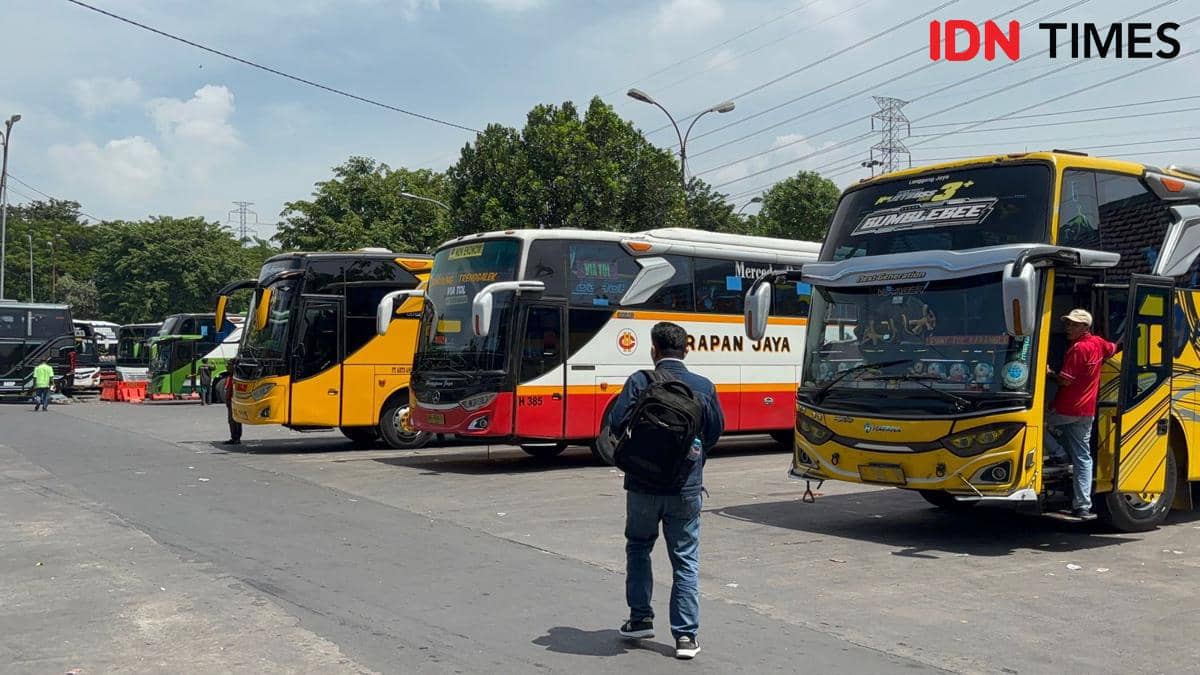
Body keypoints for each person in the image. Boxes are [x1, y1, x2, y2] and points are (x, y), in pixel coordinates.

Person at [603, 322, 724, 660]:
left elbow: (615, 423)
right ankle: (686, 637)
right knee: (685, 558)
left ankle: (640, 618)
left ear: (654, 350)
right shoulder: (704, 386)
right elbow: (715, 432)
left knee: (639, 547)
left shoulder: (640, 381)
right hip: (685, 486)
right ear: (687, 350)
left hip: (641, 483)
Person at [1045, 309, 1117, 520]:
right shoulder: (1099, 343)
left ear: (1085, 327)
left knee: (1034, 425)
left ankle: (1058, 454)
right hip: (1087, 411)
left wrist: (1049, 373)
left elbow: (1065, 380)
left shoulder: (1078, 349)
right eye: (1068, 323)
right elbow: (1114, 348)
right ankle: (1083, 505)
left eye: (1074, 324)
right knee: (1083, 458)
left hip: (1067, 408)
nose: (1068, 327)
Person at [222, 359, 242, 445]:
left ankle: (236, 438)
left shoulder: (236, 376)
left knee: (234, 420)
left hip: (234, 401)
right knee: (231, 420)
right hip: (230, 401)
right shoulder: (230, 376)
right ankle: (234, 437)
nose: (227, 367)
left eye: (229, 365)